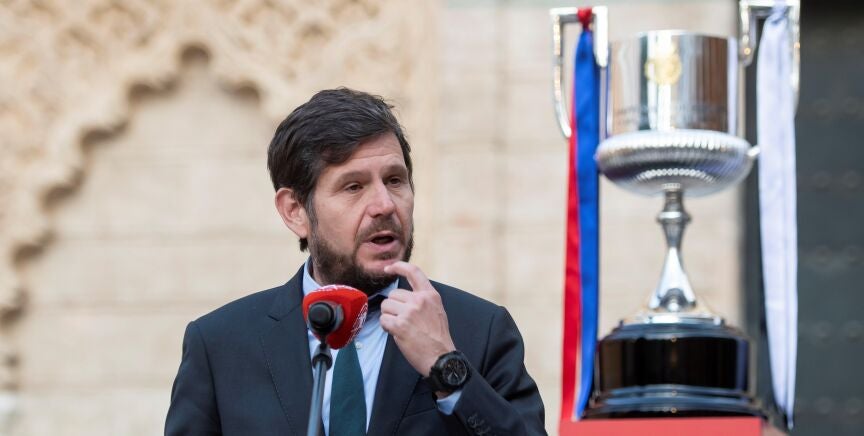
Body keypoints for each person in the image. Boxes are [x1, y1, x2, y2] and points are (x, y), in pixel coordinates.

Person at [165, 88, 546, 435]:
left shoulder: (480, 330)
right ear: (295, 211)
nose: (384, 205)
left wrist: (446, 367)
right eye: (353, 186)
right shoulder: (220, 346)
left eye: (395, 180)